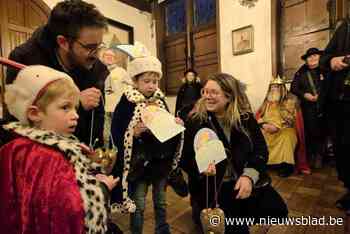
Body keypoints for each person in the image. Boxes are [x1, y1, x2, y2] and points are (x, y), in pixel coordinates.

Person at [0, 65, 118, 234]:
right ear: (35, 114)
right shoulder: (51, 158)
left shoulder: (15, 148)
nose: (75, 115)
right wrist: (101, 188)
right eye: (65, 107)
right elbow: (70, 212)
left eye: (75, 108)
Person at [180, 73, 288, 234]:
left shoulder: (245, 118)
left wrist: (249, 176)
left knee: (276, 210)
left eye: (214, 92)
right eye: (205, 91)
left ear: (229, 96)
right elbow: (185, 158)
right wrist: (200, 169)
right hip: (213, 188)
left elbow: (260, 150)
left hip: (242, 180)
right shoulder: (195, 120)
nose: (207, 97)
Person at [5, 0, 109, 147]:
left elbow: (96, 120)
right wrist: (75, 102)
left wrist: (94, 156)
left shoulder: (96, 68)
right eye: (90, 47)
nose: (97, 55)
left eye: (100, 46)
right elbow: (15, 122)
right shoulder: (25, 59)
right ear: (63, 42)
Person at [110, 55, 184, 234]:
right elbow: (117, 128)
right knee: (139, 203)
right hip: (139, 163)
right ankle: (136, 231)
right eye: (146, 81)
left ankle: (162, 229)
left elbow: (166, 124)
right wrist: (133, 132)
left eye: (155, 81)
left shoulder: (159, 99)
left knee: (161, 201)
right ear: (135, 81)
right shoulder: (128, 101)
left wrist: (175, 124)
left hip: (160, 160)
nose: (151, 85)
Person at [319, 18, 350, 214]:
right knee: (343, 148)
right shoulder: (345, 28)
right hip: (340, 103)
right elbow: (324, 58)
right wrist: (332, 61)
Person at [256, 76, 309, 177]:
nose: (273, 89)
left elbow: (291, 119)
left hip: (284, 129)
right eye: (272, 87)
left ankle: (285, 166)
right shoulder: (266, 102)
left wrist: (276, 126)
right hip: (266, 128)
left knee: (287, 138)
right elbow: (259, 116)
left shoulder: (290, 101)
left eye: (276, 87)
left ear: (282, 88)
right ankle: (267, 164)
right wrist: (263, 124)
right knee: (258, 136)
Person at [291, 48, 326, 169]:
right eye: (309, 57)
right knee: (311, 131)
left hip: (326, 105)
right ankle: (313, 156)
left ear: (320, 57)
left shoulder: (326, 69)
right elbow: (294, 88)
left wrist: (321, 95)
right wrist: (305, 95)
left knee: (325, 130)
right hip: (308, 107)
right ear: (306, 60)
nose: (312, 58)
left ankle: (322, 155)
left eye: (315, 56)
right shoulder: (300, 72)